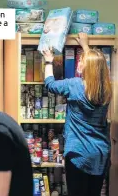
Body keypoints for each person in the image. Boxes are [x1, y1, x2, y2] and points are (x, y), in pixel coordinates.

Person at [42, 32, 112, 196]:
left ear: (87, 67)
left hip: (78, 153)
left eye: (81, 61)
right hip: (100, 153)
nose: (78, 63)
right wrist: (86, 46)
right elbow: (97, 69)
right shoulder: (107, 90)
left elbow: (50, 84)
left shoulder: (75, 85)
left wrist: (48, 60)